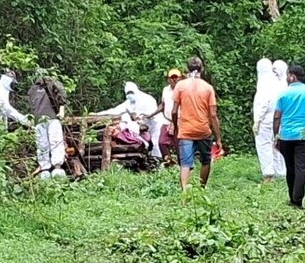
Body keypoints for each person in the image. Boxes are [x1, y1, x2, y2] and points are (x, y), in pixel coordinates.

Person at [172, 56, 224, 191]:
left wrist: (177, 127)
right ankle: (201, 189)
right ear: (202, 69)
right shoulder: (207, 88)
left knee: (185, 164)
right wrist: (218, 138)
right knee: (206, 161)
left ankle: (184, 192)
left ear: (186, 69)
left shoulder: (180, 86)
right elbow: (212, 115)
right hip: (203, 130)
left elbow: (173, 111)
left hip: (186, 130)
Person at [273, 64, 305, 208]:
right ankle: (297, 199)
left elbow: (276, 117)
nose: (286, 78)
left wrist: (276, 135)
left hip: (286, 135)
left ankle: (292, 198)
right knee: (301, 168)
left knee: (290, 167)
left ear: (292, 76)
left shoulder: (283, 94)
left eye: (287, 75)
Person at [94, 82, 162, 158]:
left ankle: (159, 160)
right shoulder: (128, 102)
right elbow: (115, 110)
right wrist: (96, 114)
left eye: (131, 92)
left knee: (156, 143)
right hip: (142, 127)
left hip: (154, 124)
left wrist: (141, 116)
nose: (130, 95)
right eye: (128, 93)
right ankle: (151, 159)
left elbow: (152, 113)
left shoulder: (147, 99)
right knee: (145, 142)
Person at [28, 75, 68, 178]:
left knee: (46, 143)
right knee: (49, 142)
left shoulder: (38, 88)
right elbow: (61, 97)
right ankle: (49, 169)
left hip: (45, 119)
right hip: (46, 119)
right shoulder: (36, 89)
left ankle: (52, 168)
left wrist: (61, 111)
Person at [253, 58, 286, 183]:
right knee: (277, 146)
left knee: (264, 147)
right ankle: (281, 172)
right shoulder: (279, 83)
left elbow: (264, 103)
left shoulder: (265, 83)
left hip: (265, 122)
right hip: (279, 121)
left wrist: (257, 121)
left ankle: (268, 175)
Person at [150, 68, 182, 163]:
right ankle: (169, 163)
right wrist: (151, 114)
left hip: (179, 120)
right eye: (172, 78)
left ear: (180, 78)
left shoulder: (183, 90)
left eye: (176, 77)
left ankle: (182, 167)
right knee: (161, 142)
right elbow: (163, 105)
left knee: (178, 145)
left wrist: (175, 122)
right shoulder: (166, 90)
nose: (174, 80)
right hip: (167, 120)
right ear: (168, 79)